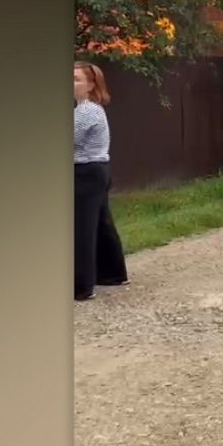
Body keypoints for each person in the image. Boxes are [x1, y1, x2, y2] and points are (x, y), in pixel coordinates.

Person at [74, 61, 129, 302]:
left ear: (91, 85)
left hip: (86, 171)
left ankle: (81, 286)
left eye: (76, 79)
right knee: (100, 223)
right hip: (95, 171)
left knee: (81, 227)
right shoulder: (83, 109)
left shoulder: (87, 111)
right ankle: (113, 273)